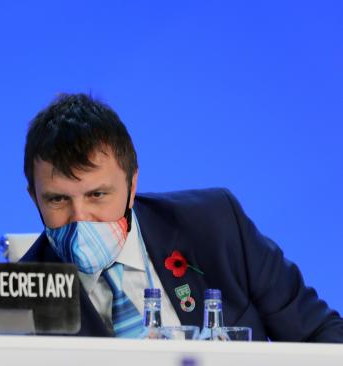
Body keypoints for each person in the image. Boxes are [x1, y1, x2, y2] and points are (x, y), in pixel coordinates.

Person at [20, 93, 343, 342]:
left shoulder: (215, 225)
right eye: (58, 199)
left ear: (132, 186)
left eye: (97, 195)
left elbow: (322, 334)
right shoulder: (21, 297)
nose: (81, 218)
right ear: (34, 197)